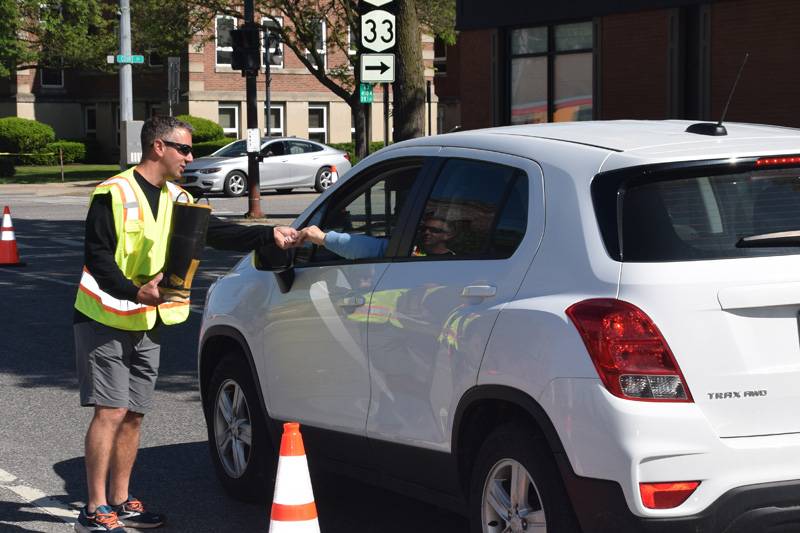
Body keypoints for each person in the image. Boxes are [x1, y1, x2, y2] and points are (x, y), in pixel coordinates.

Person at [72, 116, 297, 533]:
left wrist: (270, 234)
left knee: (134, 413)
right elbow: (98, 257)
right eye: (185, 149)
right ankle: (93, 507)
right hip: (104, 314)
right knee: (112, 410)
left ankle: (122, 502)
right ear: (158, 147)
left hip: (147, 318)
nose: (191, 158)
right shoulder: (113, 194)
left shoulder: (177, 196)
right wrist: (134, 290)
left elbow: (218, 233)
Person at [297, 215, 457, 259]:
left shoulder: (453, 260)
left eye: (434, 230)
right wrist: (323, 238)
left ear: (448, 235)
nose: (427, 233)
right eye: (424, 229)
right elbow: (366, 247)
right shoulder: (409, 249)